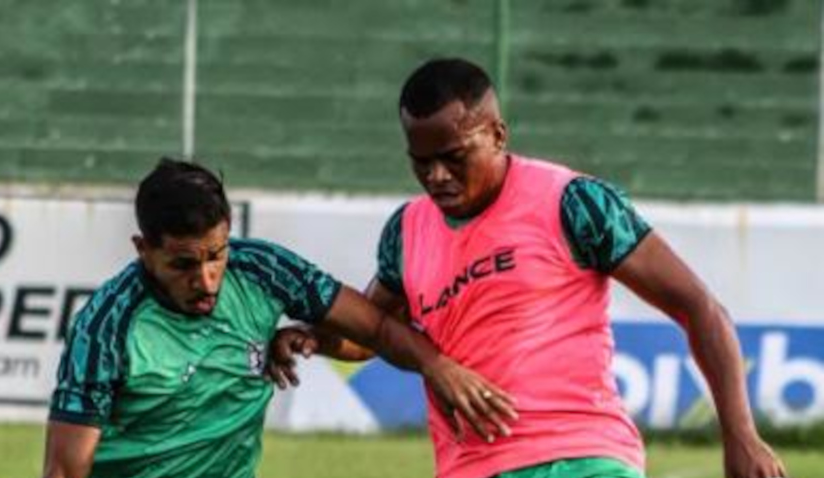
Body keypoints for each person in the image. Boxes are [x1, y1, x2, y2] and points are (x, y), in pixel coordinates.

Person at [268, 58, 789, 478]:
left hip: (587, 454)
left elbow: (698, 307)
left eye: (453, 156)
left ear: (497, 133)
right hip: (474, 466)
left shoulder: (574, 203)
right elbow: (370, 333)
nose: (437, 176)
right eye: (420, 162)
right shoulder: (406, 232)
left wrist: (741, 434)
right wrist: (315, 338)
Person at [41, 158, 517, 478]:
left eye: (216, 256)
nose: (206, 280)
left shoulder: (264, 270)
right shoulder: (107, 326)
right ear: (144, 251)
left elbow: (371, 330)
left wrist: (439, 368)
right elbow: (65, 470)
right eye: (184, 264)